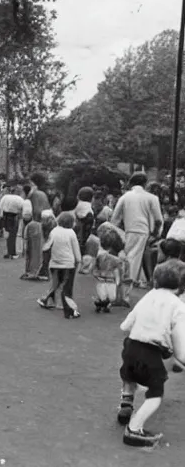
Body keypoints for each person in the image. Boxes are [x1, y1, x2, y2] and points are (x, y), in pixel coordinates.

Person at [117, 259, 185, 447]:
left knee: (129, 375)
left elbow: (127, 324)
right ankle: (134, 429)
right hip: (151, 352)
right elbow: (180, 345)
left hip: (131, 345)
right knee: (155, 392)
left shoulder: (149, 296)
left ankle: (126, 402)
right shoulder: (178, 306)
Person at [111, 172, 163, 292]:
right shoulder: (152, 198)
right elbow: (158, 219)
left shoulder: (125, 197)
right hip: (144, 231)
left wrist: (114, 229)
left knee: (130, 254)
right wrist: (156, 234)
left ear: (131, 183)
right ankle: (129, 281)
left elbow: (115, 217)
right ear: (145, 183)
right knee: (134, 256)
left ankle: (126, 280)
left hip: (129, 230)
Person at [37, 211, 82, 319]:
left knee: (56, 283)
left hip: (54, 263)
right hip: (68, 264)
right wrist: (78, 260)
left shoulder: (54, 231)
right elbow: (76, 249)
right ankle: (69, 309)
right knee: (67, 287)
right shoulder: (71, 233)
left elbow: (47, 246)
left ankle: (45, 299)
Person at [92, 227, 125, 313]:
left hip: (106, 278)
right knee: (106, 293)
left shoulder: (102, 255)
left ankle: (103, 303)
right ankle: (102, 303)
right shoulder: (116, 258)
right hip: (107, 278)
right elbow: (119, 269)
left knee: (107, 293)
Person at [0, 184, 23, 259]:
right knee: (13, 235)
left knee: (7, 235)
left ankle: (8, 252)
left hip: (5, 216)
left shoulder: (5, 197)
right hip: (14, 217)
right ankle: (12, 252)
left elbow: (0, 207)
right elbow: (23, 208)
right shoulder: (19, 199)